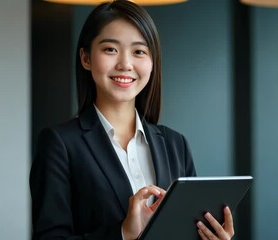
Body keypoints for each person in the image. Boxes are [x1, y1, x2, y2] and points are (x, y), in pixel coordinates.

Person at [29, 0, 235, 239]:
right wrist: (123, 233)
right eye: (110, 49)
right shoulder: (59, 145)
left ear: (152, 62)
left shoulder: (175, 145)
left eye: (139, 51)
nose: (125, 64)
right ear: (85, 58)